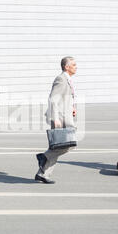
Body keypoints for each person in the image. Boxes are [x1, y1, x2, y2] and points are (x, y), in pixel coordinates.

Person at [35, 56, 77, 184]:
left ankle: (42, 174)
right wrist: (56, 118)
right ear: (66, 67)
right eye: (74, 65)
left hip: (65, 115)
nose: (76, 67)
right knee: (67, 145)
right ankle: (44, 157)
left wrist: (72, 107)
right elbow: (53, 99)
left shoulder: (67, 79)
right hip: (60, 118)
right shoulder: (61, 79)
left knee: (58, 146)